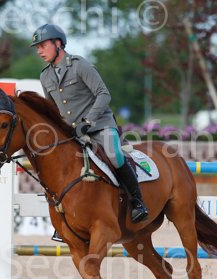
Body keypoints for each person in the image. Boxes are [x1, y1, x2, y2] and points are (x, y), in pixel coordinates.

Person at [31, 23, 149, 227]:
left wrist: (88, 121)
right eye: (37, 48)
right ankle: (64, 216)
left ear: (58, 43)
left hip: (100, 124)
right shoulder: (45, 76)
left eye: (43, 46)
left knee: (114, 154)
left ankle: (138, 202)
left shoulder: (80, 65)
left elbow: (104, 94)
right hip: (72, 132)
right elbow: (53, 110)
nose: (39, 51)